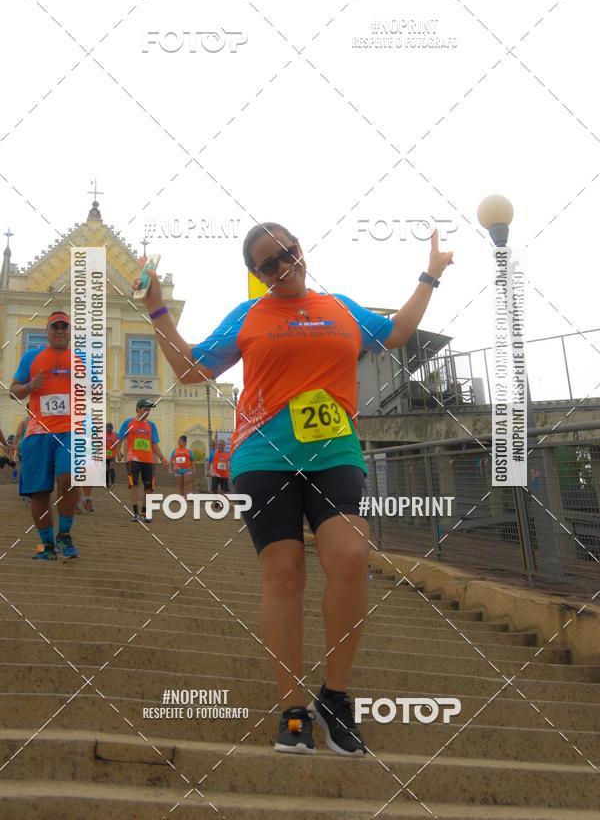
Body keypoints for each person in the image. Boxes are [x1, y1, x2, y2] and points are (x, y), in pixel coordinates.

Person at [133, 222, 453, 755]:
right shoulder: (250, 316)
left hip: (334, 453)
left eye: (288, 253)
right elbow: (190, 370)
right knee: (284, 573)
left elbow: (397, 331)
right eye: (268, 264)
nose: (283, 266)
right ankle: (292, 708)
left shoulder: (340, 306)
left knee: (350, 556)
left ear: (300, 249)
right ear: (255, 274)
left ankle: (335, 696)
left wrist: (430, 275)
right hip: (263, 458)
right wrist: (157, 309)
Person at [9, 312, 80, 559]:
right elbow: (13, 392)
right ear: (47, 330)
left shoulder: (81, 360)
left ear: (70, 330)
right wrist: (30, 386)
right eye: (55, 327)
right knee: (39, 493)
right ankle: (46, 546)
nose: (60, 331)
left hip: (70, 431)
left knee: (69, 478)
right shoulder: (32, 357)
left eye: (64, 327)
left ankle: (65, 535)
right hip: (38, 432)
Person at [113, 399, 168, 522]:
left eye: (149, 410)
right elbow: (120, 439)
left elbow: (154, 444)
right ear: (138, 409)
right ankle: (136, 513)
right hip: (133, 459)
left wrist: (162, 457)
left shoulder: (151, 425)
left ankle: (145, 512)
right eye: (145, 409)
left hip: (148, 461)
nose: (147, 412)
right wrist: (118, 451)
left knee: (149, 488)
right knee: (134, 485)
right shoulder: (128, 423)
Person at [169, 434, 195, 507]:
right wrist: (170, 469)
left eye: (180, 441)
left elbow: (192, 460)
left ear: (184, 442)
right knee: (180, 483)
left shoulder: (189, 451)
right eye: (178, 442)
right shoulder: (175, 451)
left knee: (188, 482)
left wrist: (194, 470)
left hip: (187, 469)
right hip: (178, 470)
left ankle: (189, 495)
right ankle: (182, 496)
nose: (178, 443)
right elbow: (171, 460)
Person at [105, 422, 119, 489]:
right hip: (105, 455)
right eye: (107, 429)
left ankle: (112, 483)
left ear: (112, 429)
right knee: (106, 469)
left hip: (112, 455)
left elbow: (118, 445)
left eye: (110, 429)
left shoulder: (115, 434)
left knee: (111, 468)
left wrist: (119, 452)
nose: (109, 430)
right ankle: (107, 483)